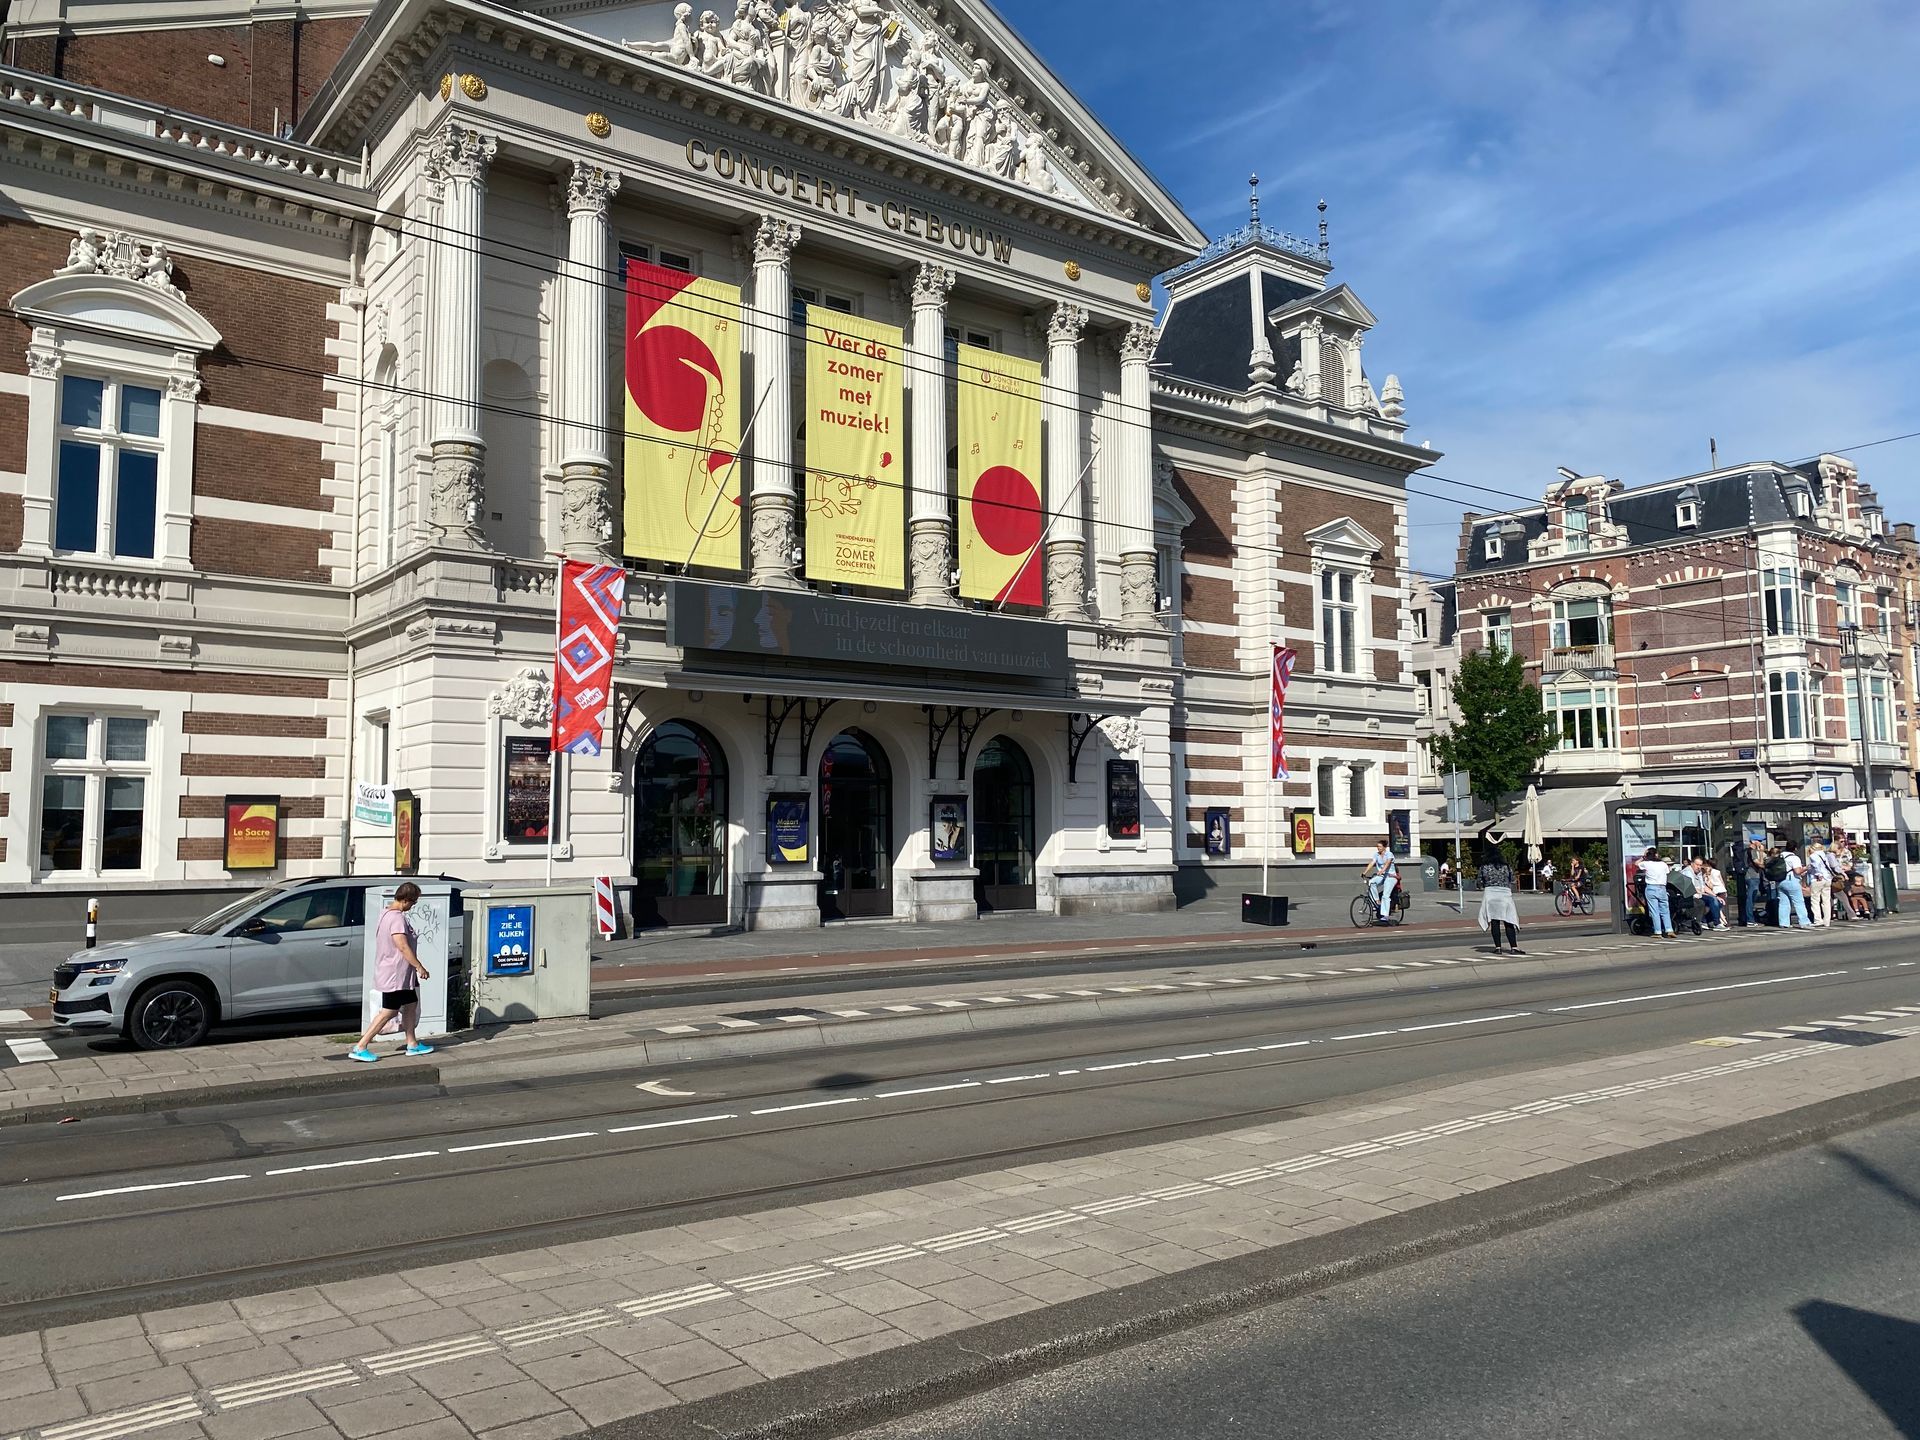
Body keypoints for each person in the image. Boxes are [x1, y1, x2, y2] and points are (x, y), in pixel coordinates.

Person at [349, 882, 434, 1062]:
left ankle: (412, 1043)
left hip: (400, 974)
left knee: (411, 1004)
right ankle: (361, 1046)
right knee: (389, 1011)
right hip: (395, 975)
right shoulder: (397, 919)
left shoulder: (385, 913)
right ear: (405, 900)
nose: (413, 906)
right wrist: (419, 966)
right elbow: (402, 946)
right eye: (413, 902)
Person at [1476, 830, 1521, 953]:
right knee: (1509, 921)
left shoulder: (1484, 867)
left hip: (1490, 895)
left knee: (1494, 921)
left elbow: (1479, 881)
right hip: (1505, 894)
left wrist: (1485, 884)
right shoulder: (1506, 866)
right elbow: (1512, 879)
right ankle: (1513, 947)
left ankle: (1498, 948)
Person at [1770, 845, 1811, 928]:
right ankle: (1804, 922)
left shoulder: (1780, 856)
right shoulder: (1794, 858)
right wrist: (1806, 868)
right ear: (1795, 849)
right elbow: (1797, 871)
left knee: (1783, 903)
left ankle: (1784, 923)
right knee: (1799, 902)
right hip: (1791, 880)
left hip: (1780, 881)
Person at [1640, 847, 1675, 939]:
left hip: (1651, 888)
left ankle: (1658, 931)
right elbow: (1667, 872)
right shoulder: (1663, 864)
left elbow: (1636, 864)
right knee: (1665, 910)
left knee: (1654, 911)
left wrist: (1643, 857)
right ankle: (1669, 930)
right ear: (1656, 855)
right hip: (1662, 888)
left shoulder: (1646, 863)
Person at [1362, 839, 1398, 921]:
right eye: (1377, 846)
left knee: (1385, 895)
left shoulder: (1389, 854)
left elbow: (1387, 863)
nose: (1378, 848)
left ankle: (1385, 915)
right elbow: (1372, 863)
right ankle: (1377, 902)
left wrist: (1382, 870)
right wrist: (1364, 872)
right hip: (1382, 876)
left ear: (1384, 847)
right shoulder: (1376, 855)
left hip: (1391, 877)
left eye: (1380, 846)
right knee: (1371, 882)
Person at [1667, 852, 1701, 935]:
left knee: (1696, 903)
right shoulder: (1666, 875)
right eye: (1668, 865)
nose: (1669, 866)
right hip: (1670, 896)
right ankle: (1685, 922)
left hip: (1678, 896)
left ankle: (1690, 921)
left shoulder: (1673, 874)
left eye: (1670, 865)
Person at [1803, 841, 1834, 928]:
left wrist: (1818, 874)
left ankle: (1818, 920)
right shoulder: (1824, 855)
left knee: (1815, 900)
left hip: (1817, 879)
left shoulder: (1813, 856)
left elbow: (1816, 866)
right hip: (1827, 879)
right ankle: (1827, 921)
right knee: (1826, 901)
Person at [1741, 835, 1767, 926]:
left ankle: (1750, 919)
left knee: (1752, 898)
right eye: (1759, 841)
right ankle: (1750, 920)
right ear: (1753, 841)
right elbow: (1759, 863)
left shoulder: (1747, 851)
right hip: (1752, 876)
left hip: (1751, 876)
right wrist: (1761, 852)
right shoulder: (1752, 851)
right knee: (1751, 899)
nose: (1760, 843)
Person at [1700, 856, 1729, 930]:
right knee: (1719, 906)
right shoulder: (1717, 872)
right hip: (1720, 889)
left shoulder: (1705, 873)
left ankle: (1706, 920)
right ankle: (1719, 922)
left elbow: (1707, 884)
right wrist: (1725, 890)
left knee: (1717, 906)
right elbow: (1721, 881)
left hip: (1714, 890)